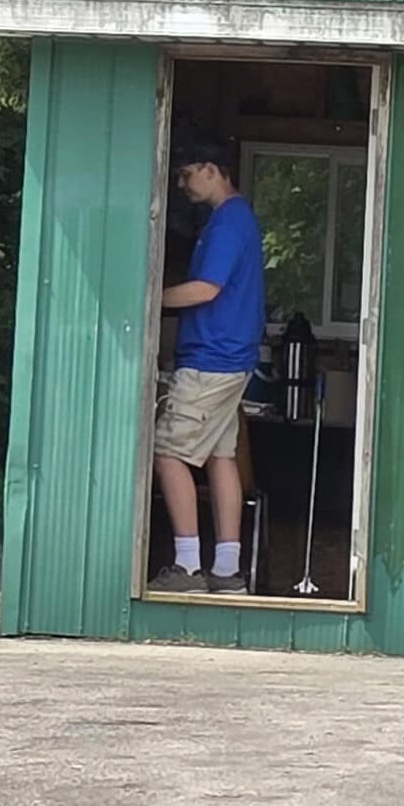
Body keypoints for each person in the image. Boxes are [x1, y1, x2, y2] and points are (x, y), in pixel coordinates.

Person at [149, 138, 266, 595]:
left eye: (187, 172)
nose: (181, 183)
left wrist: (149, 300)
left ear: (214, 169)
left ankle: (186, 565)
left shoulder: (227, 223)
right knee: (221, 459)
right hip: (232, 359)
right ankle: (226, 569)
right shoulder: (237, 219)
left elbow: (205, 289)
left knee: (169, 453)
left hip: (211, 359)